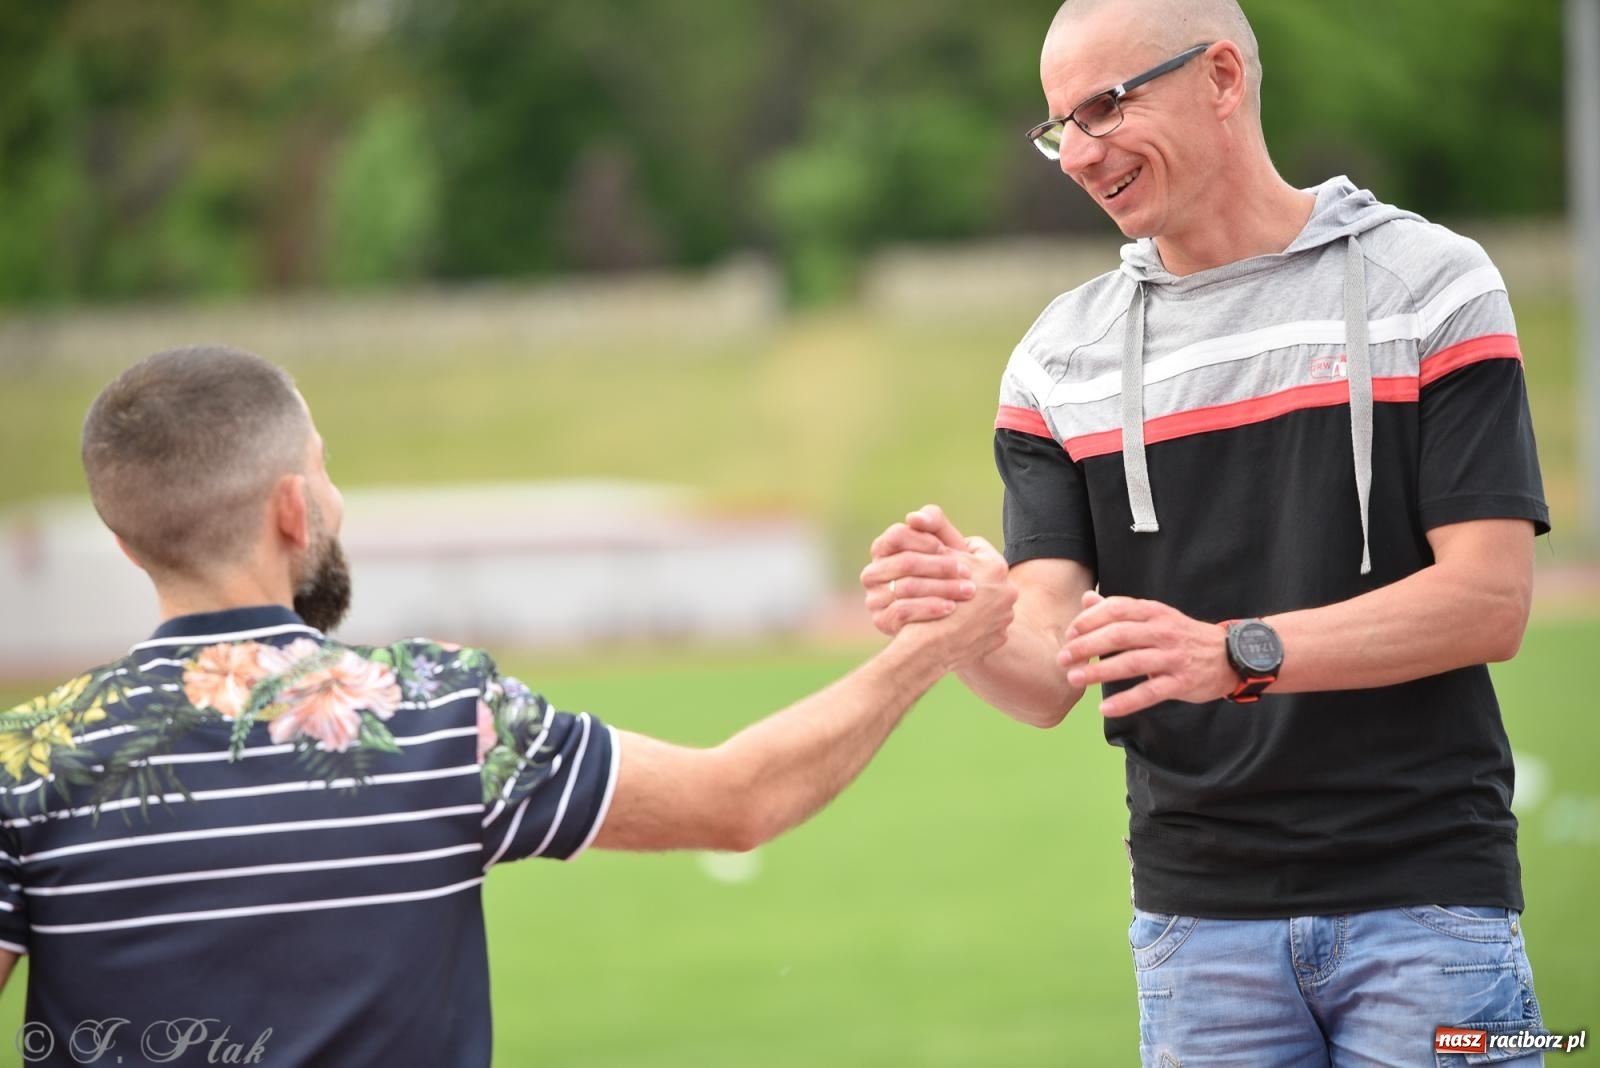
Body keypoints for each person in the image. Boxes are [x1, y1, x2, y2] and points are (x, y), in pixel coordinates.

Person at [861, 1, 1552, 1064]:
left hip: (1429, 910)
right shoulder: (1058, 362)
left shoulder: (1434, 284)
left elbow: (1489, 602)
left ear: (1221, 78)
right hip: (1196, 934)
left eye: (1103, 107)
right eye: (1059, 128)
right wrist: (964, 618)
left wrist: (1232, 654)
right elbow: (1048, 675)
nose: (1079, 154)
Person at [0, 345, 1015, 1067]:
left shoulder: (24, 764)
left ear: (127, 539)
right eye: (322, 465)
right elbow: (736, 799)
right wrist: (935, 649)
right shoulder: (438, 713)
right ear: (291, 508)